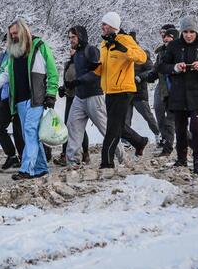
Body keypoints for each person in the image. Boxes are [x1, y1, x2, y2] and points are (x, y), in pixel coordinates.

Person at [0, 18, 58, 180]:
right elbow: (4, 73)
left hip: (36, 98)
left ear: (24, 31)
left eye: (15, 33)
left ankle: (26, 169)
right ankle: (40, 168)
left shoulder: (39, 46)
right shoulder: (12, 54)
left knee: (30, 131)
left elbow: (53, 71)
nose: (13, 37)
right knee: (30, 135)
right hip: (19, 100)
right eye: (11, 34)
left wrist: (51, 93)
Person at [64, 25, 127, 168]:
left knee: (106, 128)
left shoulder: (91, 50)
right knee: (72, 125)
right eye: (69, 38)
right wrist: (67, 86)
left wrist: (78, 81)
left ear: (80, 36)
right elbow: (75, 72)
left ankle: (123, 158)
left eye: (73, 37)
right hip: (79, 96)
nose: (71, 40)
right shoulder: (77, 54)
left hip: (94, 96)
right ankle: (73, 161)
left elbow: (97, 73)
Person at [159, 16, 198, 175]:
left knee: (196, 129)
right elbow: (162, 66)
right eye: (185, 32)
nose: (188, 35)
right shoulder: (173, 46)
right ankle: (181, 159)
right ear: (181, 32)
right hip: (178, 94)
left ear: (196, 32)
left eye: (191, 32)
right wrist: (175, 68)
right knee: (180, 129)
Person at [93, 12, 148, 169]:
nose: (102, 27)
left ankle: (107, 162)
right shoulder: (104, 44)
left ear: (113, 26)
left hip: (124, 89)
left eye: (105, 24)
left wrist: (124, 49)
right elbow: (103, 68)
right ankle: (139, 141)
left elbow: (142, 57)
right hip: (109, 90)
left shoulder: (125, 39)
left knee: (112, 127)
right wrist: (93, 67)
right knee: (116, 125)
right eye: (102, 24)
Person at [56, 27, 90, 166]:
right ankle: (65, 154)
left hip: (81, 96)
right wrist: (63, 88)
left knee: (77, 126)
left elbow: (84, 78)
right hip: (70, 97)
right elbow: (67, 79)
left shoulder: (83, 60)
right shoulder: (68, 64)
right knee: (68, 125)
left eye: (72, 39)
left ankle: (85, 153)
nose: (70, 48)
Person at [147, 28, 179, 156]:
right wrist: (151, 75)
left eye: (169, 36)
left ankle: (168, 146)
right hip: (162, 86)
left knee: (171, 119)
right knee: (159, 114)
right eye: (164, 36)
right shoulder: (161, 52)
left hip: (175, 87)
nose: (165, 39)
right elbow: (156, 67)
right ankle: (187, 139)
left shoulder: (180, 51)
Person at [125, 31, 161, 146]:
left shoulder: (142, 54)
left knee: (148, 116)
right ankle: (126, 140)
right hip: (125, 91)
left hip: (139, 92)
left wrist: (139, 77)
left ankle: (158, 134)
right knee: (125, 118)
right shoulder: (123, 54)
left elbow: (151, 70)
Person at [0, 43, 24, 170]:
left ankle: (23, 157)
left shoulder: (22, 53)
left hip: (20, 96)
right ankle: (11, 155)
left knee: (19, 130)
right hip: (6, 97)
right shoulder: (3, 56)